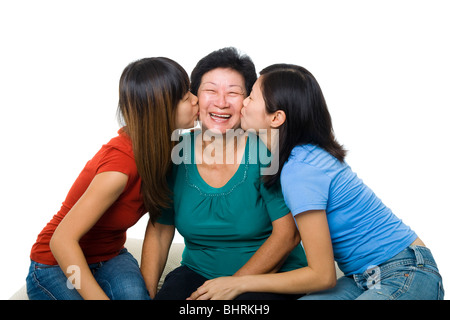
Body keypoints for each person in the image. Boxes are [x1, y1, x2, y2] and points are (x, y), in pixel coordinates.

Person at [188, 63, 445, 300]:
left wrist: (239, 283)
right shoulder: (294, 159)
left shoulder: (300, 170)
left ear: (276, 118)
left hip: (407, 270)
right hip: (362, 278)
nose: (242, 103)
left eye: (251, 96)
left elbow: (322, 275)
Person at [141, 48, 308, 300]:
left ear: (249, 100)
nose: (221, 102)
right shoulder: (174, 151)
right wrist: (146, 295)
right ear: (194, 97)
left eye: (233, 93)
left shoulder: (266, 150)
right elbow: (160, 230)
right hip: (197, 274)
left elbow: (288, 234)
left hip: (266, 279)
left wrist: (232, 285)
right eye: (211, 90)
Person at [26, 57, 199, 300]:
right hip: (56, 264)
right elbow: (62, 241)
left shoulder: (171, 148)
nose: (196, 99)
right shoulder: (119, 168)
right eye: (185, 96)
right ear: (161, 109)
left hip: (109, 258)